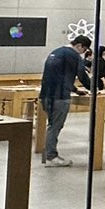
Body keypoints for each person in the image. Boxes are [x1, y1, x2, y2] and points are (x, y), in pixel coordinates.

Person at [38, 35, 92, 166]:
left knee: (51, 125)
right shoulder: (73, 55)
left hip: (46, 95)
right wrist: (94, 88)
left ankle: (48, 156)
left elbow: (60, 76)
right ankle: (51, 157)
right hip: (60, 97)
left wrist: (75, 90)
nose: (83, 53)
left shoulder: (56, 52)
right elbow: (82, 75)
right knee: (55, 127)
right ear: (79, 46)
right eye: (84, 50)